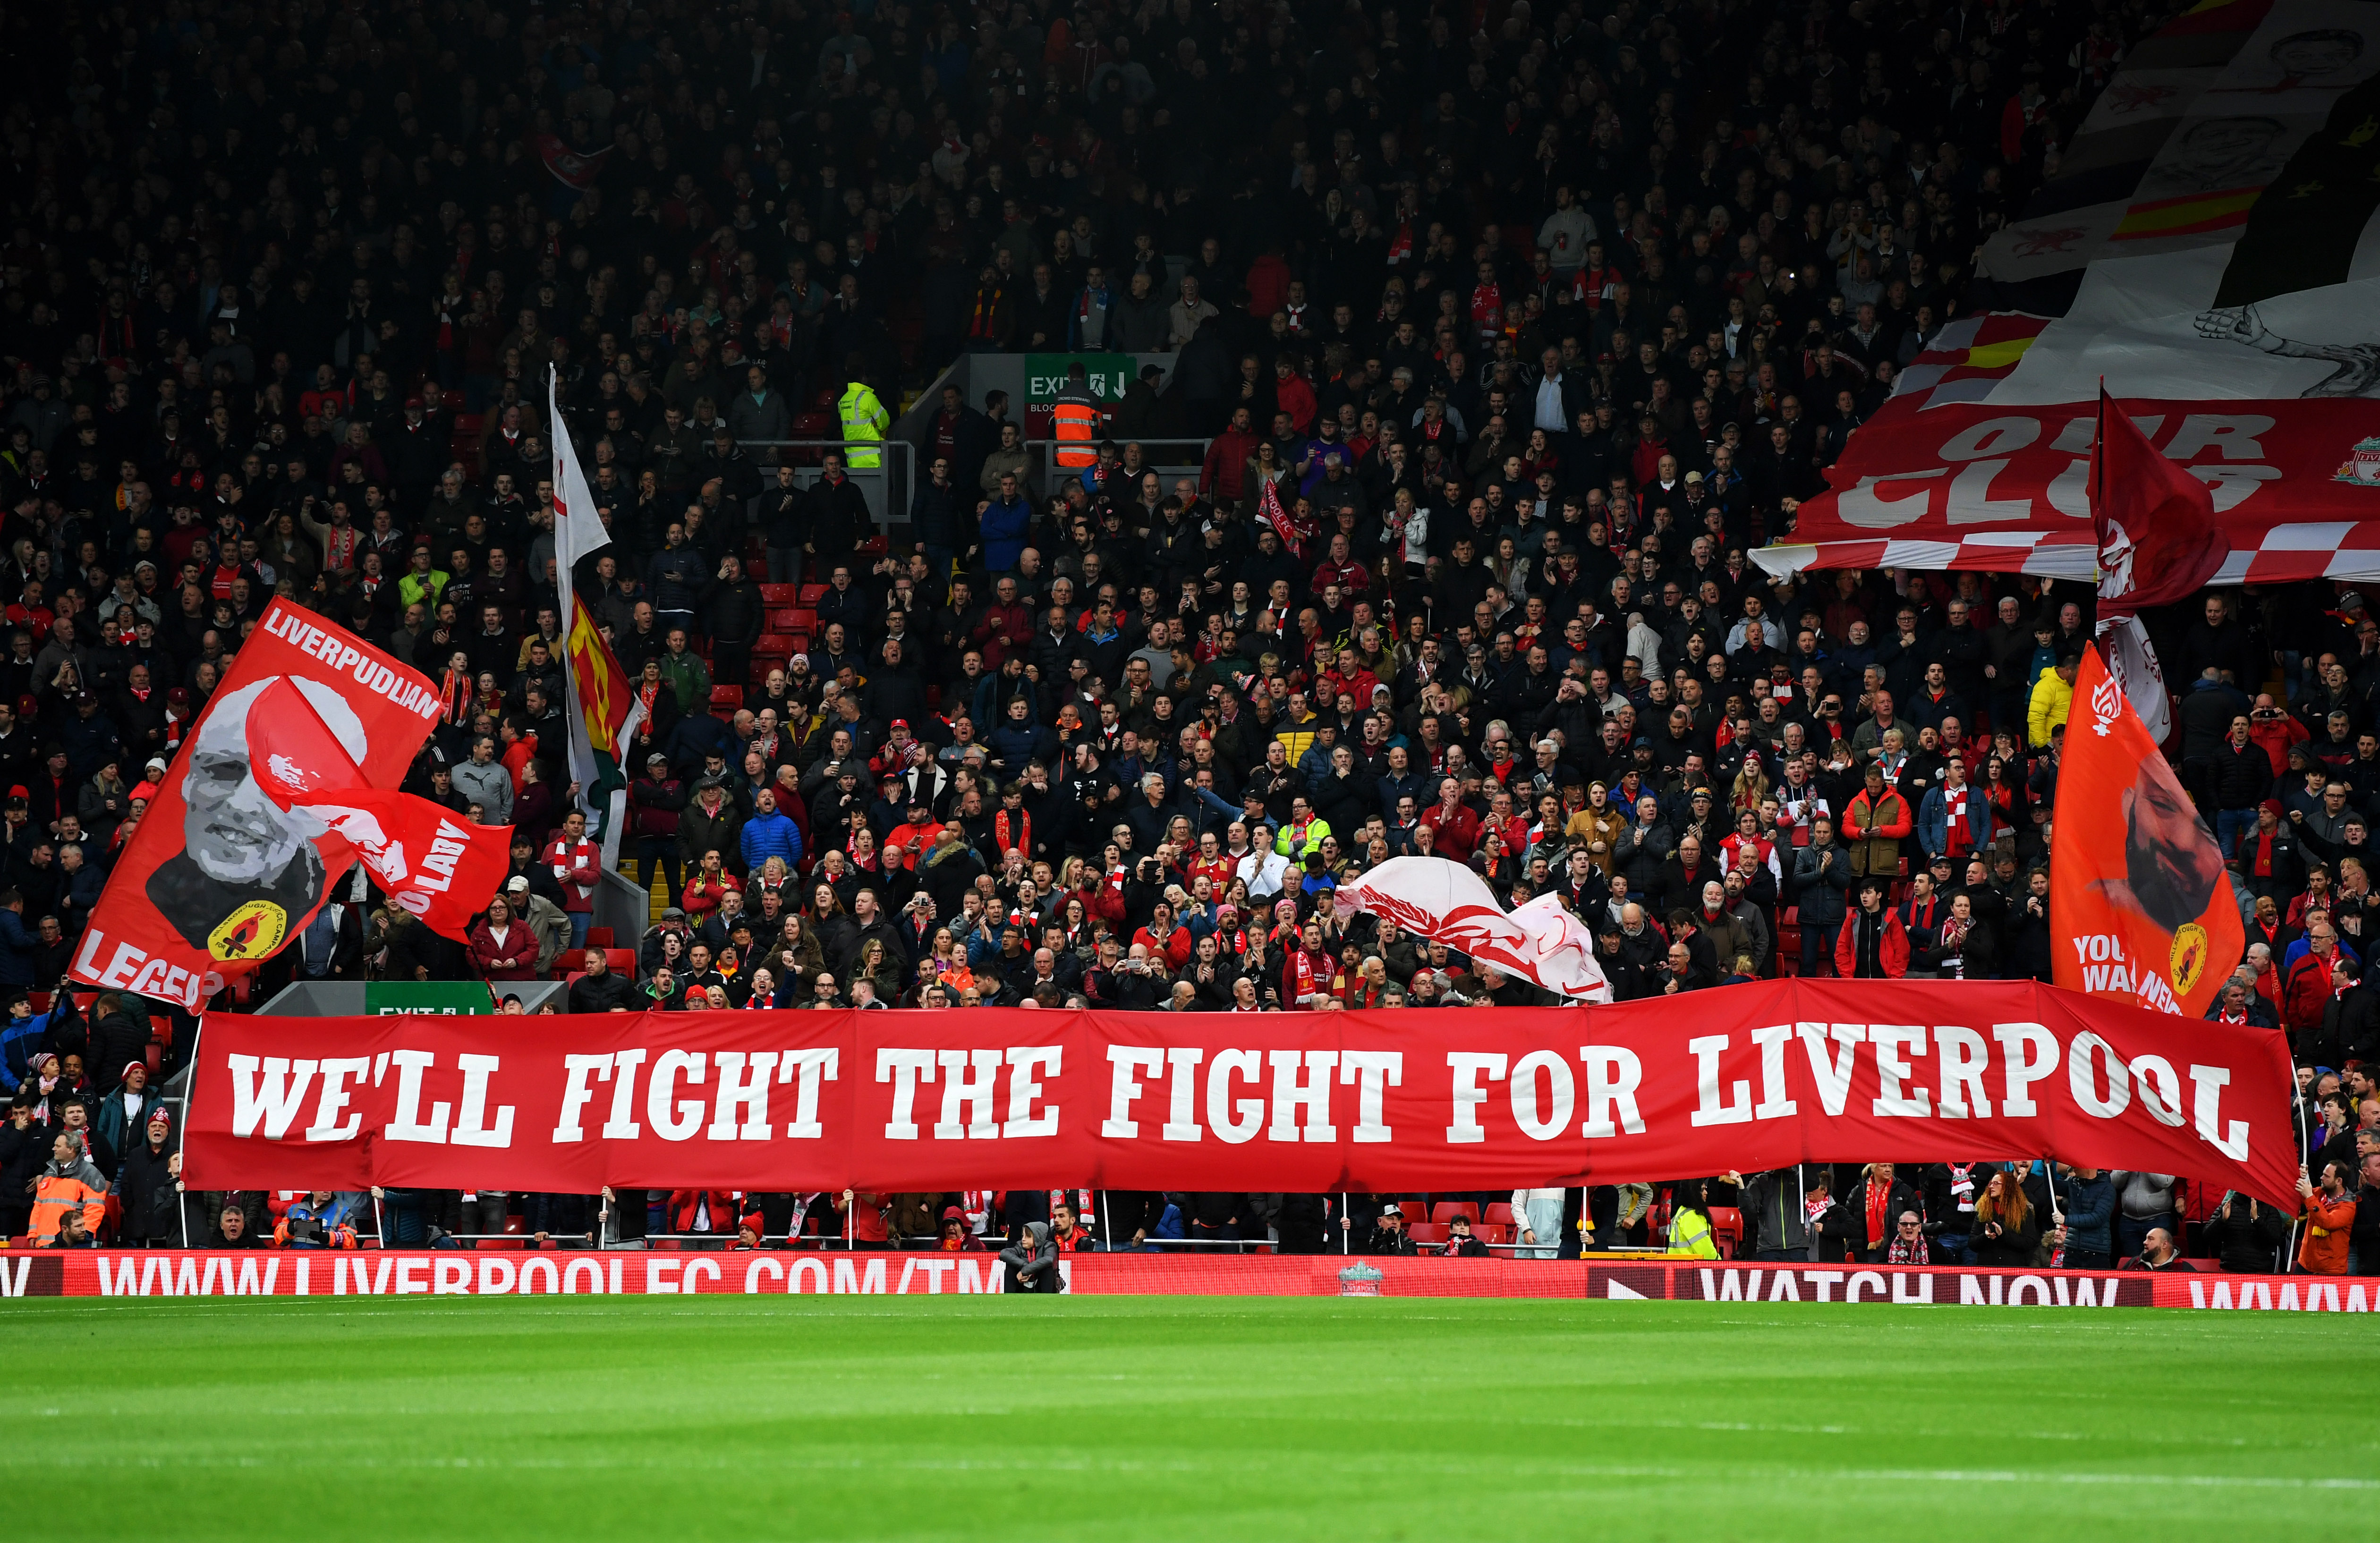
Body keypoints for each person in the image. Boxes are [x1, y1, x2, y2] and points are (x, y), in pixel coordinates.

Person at [1965, 1170, 2041, 1268]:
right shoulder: (1984, 1209)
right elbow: (1972, 1243)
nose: (1991, 1187)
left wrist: (2003, 1235)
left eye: (1996, 1183)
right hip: (1987, 1268)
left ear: (2008, 1187)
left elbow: (2029, 1243)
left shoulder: (2024, 1211)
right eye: (1991, 1184)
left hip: (2012, 1269)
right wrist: (1985, 1236)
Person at [2296, 1161, 2356, 1274]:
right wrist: (2303, 1177)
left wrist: (2309, 1196)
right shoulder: (2320, 1193)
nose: (2321, 1178)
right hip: (2305, 1264)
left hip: (2330, 1270)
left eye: (2326, 1176)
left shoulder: (2348, 1206)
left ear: (2339, 1181)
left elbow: (2328, 1222)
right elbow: (2299, 1197)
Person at [1000, 1220, 1063, 1292]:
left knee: (1047, 1269)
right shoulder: (1020, 1246)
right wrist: (1026, 1267)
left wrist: (1026, 1271)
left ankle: (1047, 1299)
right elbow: (1004, 1253)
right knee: (1011, 1267)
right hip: (1022, 1283)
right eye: (1023, 1236)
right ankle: (1009, 1299)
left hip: (1041, 1285)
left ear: (1038, 1237)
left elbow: (1049, 1259)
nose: (1023, 1239)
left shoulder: (1049, 1246)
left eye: (1028, 1236)